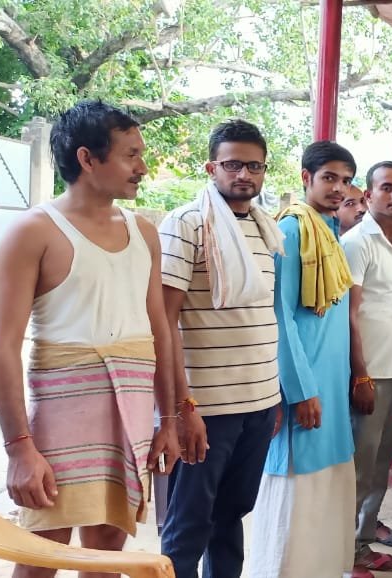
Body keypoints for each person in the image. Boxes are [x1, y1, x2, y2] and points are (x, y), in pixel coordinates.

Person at [0, 100, 179, 578]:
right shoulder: (33, 231)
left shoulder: (144, 233)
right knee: (42, 553)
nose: (142, 167)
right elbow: (2, 346)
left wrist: (170, 418)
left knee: (106, 553)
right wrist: (19, 449)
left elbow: (160, 329)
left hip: (130, 413)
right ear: (87, 158)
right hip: (60, 418)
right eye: (131, 155)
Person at [158, 119, 284, 578]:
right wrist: (181, 408)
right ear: (211, 167)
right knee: (188, 525)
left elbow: (260, 318)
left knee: (231, 516)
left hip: (258, 403)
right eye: (232, 165)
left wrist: (272, 398)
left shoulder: (266, 229)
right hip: (207, 408)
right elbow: (163, 320)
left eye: (254, 166)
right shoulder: (188, 223)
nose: (244, 175)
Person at [250, 141, 357, 578]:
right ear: (305, 178)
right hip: (306, 384)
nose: (339, 188)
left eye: (346, 180)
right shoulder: (293, 231)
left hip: (331, 382)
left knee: (326, 490)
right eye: (329, 178)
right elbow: (280, 314)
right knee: (295, 493)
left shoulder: (329, 231)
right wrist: (300, 390)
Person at [342, 161, 392, 573]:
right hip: (368, 372)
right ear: (368, 195)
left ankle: (363, 541)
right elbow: (350, 315)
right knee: (360, 466)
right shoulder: (358, 242)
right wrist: (360, 375)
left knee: (380, 462)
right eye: (387, 187)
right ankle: (346, 553)